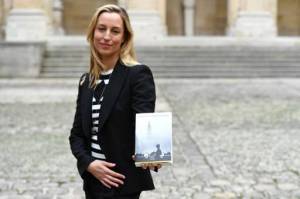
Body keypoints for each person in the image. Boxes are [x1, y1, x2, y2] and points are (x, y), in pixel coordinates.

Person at [69, 4, 161, 199]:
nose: (107, 36)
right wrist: (89, 164)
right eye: (101, 28)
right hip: (93, 182)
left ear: (124, 38)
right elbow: (77, 136)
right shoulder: (86, 81)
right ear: (93, 31)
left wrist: (151, 153)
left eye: (115, 31)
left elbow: (145, 124)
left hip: (122, 182)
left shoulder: (137, 74)